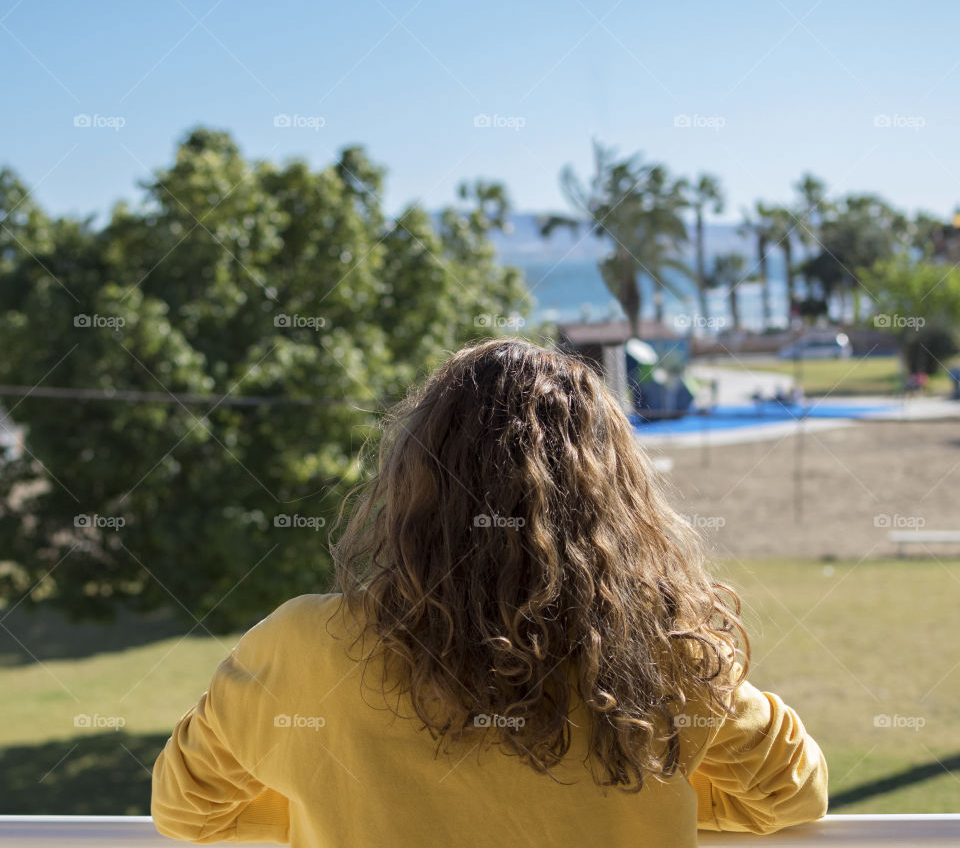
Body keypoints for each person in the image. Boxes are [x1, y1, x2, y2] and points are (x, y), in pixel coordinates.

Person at [152, 338, 828, 846]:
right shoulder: (662, 656)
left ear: (413, 483)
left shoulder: (300, 648)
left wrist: (311, 803)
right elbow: (793, 793)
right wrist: (661, 788)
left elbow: (185, 808)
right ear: (616, 500)